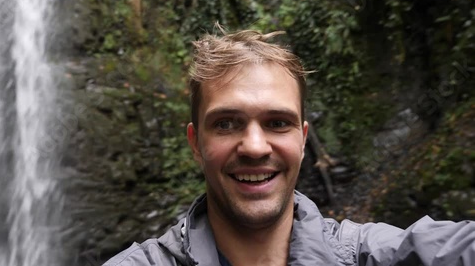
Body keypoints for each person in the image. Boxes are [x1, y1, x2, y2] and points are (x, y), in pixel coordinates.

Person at [103, 24, 475, 266]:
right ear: (196, 142)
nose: (253, 146)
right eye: (226, 123)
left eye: (277, 123)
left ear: (302, 140)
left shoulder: (370, 256)